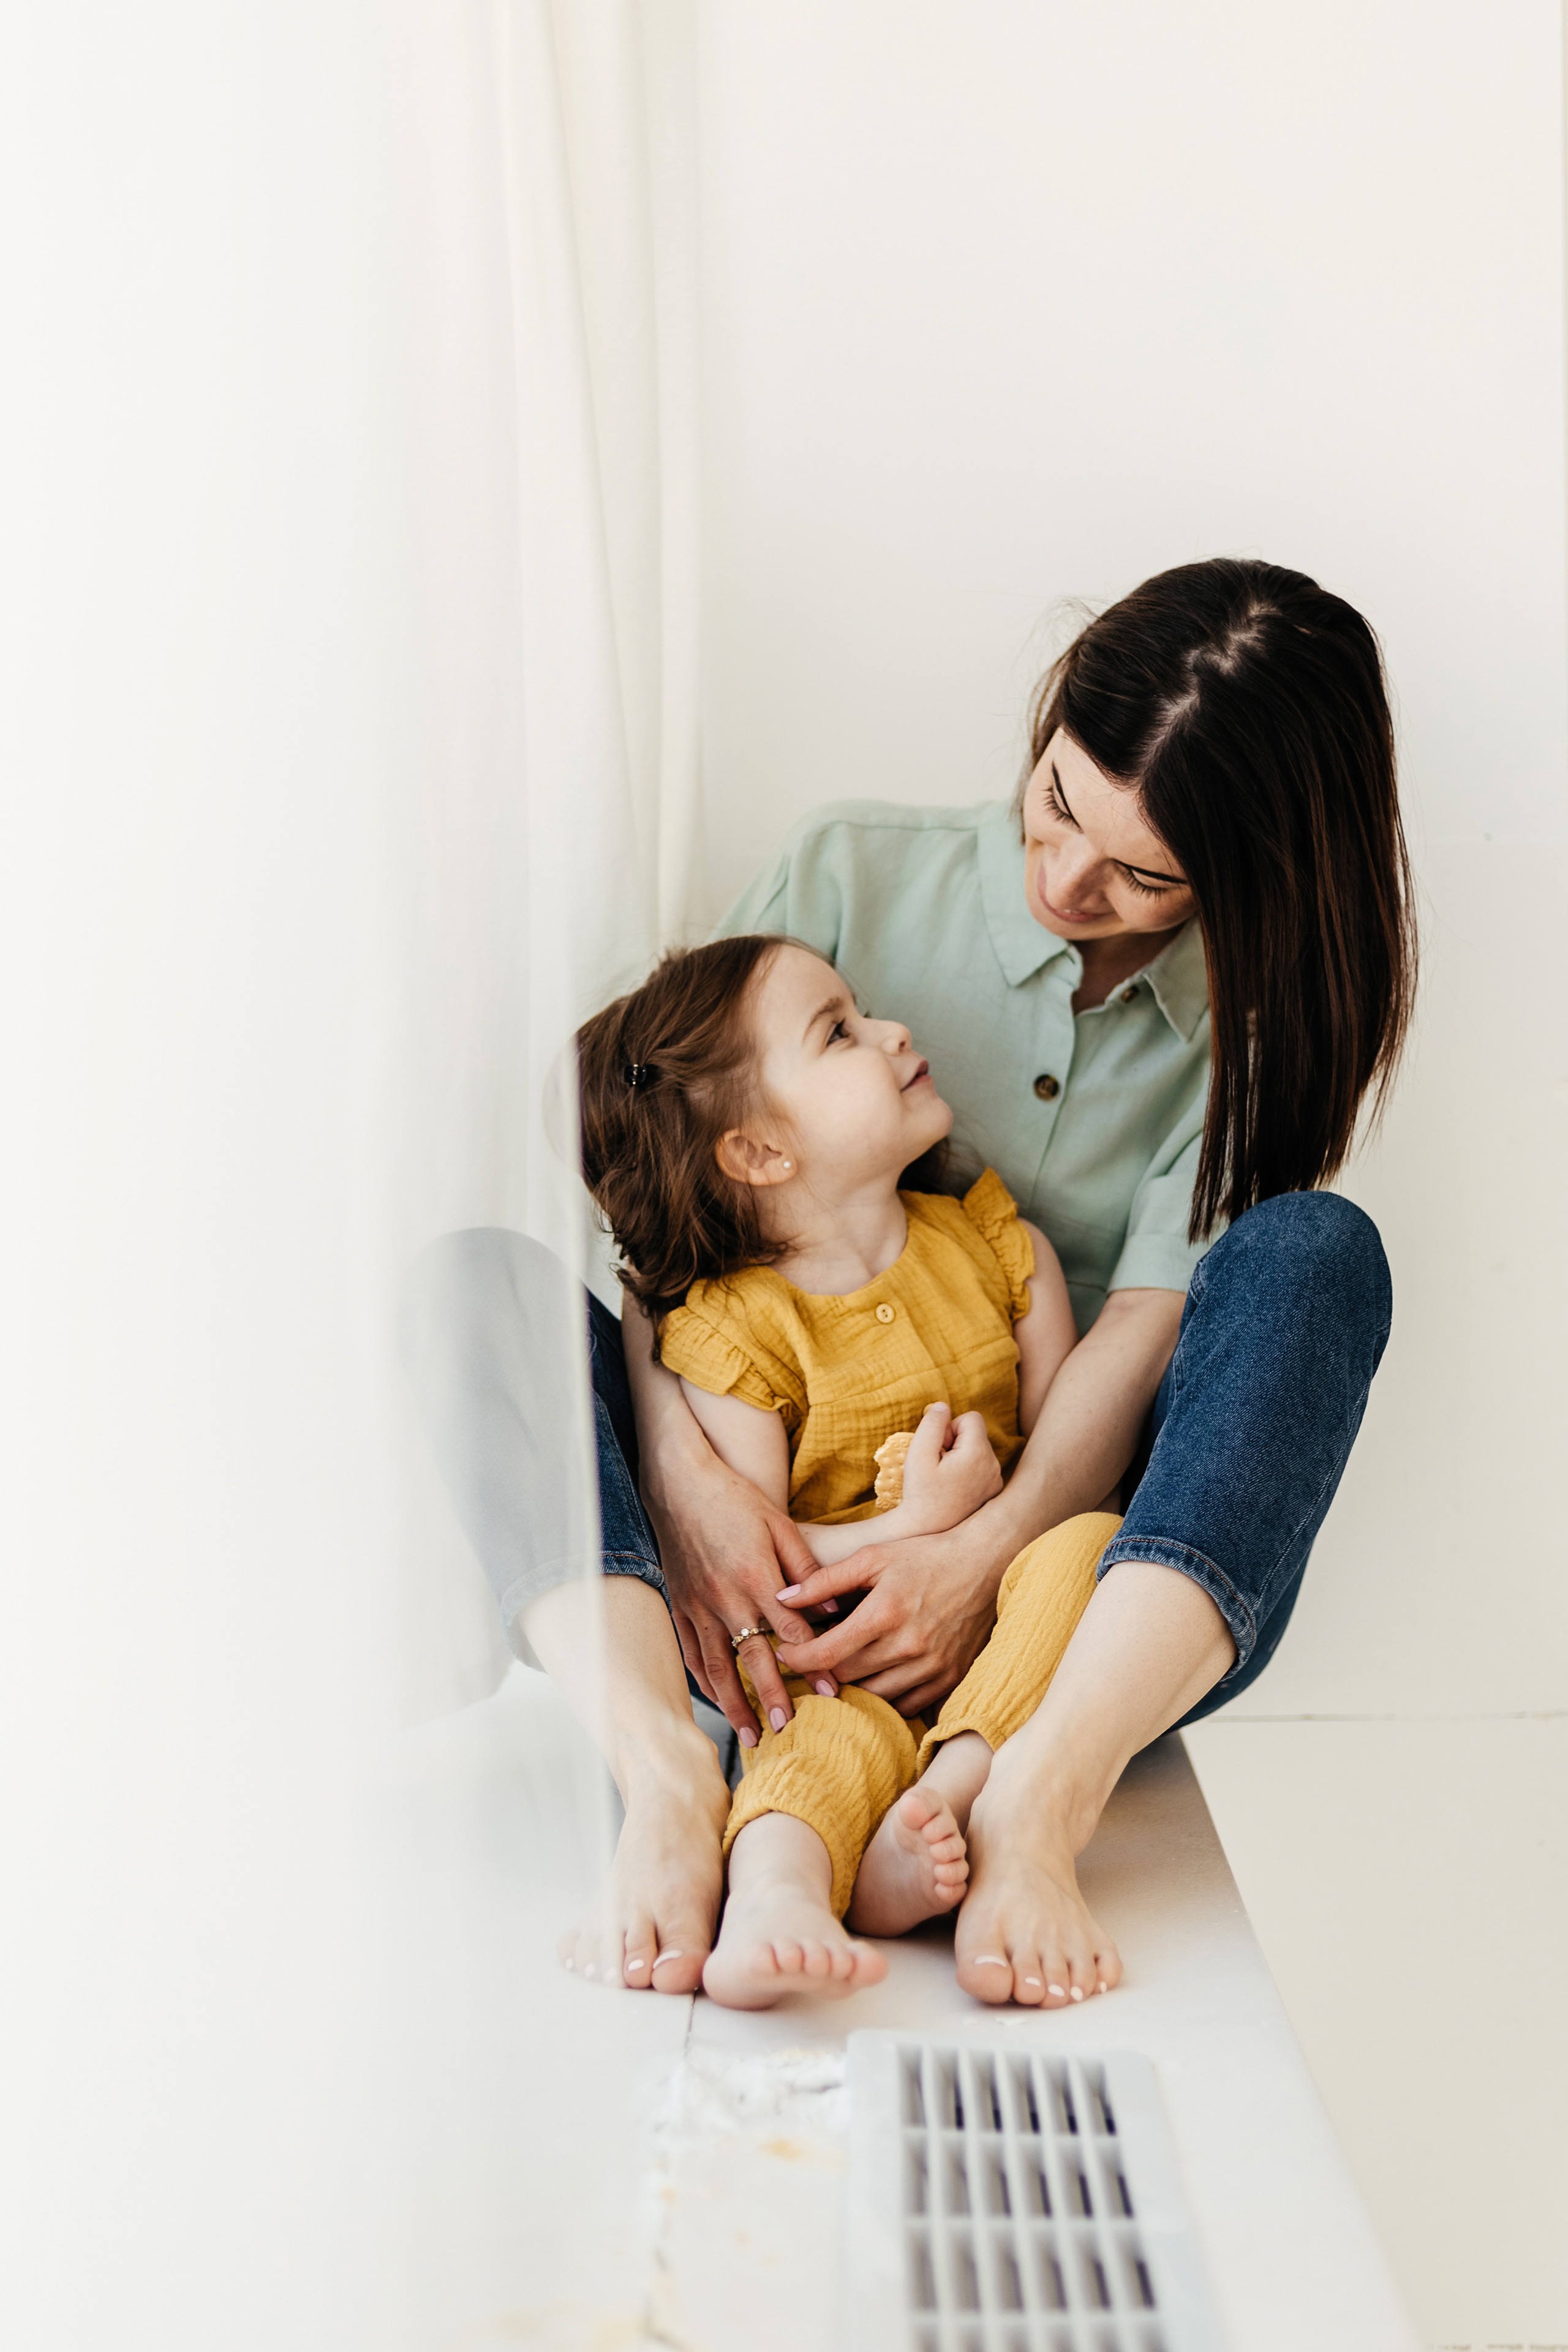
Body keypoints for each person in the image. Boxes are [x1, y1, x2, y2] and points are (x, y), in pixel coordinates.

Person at [407, 556, 1415, 2007]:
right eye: (1058, 799)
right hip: (755, 1609)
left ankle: (1036, 1800)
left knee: (1318, 1254)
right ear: (1048, 718)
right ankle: (670, 1777)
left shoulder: (1249, 1034)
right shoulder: (846, 874)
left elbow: (1136, 1342)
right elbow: (655, 1193)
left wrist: (976, 1555)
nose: (1066, 881)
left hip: (1074, 1616)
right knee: (474, 1284)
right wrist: (695, 1501)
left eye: (1141, 876)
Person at [573, 930, 1124, 2007]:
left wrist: (980, 1529)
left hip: (1015, 1637)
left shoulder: (1006, 1252)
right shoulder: (740, 1333)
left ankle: (960, 1798)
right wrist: (910, 1525)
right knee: (808, 1741)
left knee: (1090, 1553)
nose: (893, 1030)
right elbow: (761, 1566)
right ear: (761, 1153)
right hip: (847, 1663)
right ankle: (776, 1892)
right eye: (841, 1031)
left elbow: (1076, 1480)